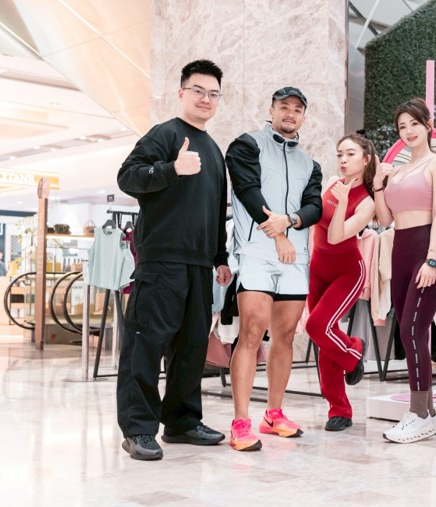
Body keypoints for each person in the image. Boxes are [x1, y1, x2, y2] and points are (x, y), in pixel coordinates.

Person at [116, 59, 231, 461]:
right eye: (198, 90)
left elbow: (216, 209)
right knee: (146, 345)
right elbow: (127, 176)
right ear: (181, 93)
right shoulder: (164, 134)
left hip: (200, 266)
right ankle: (138, 429)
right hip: (161, 261)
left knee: (191, 348)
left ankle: (181, 422)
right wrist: (171, 168)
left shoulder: (214, 151)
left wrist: (220, 256)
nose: (205, 99)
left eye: (213, 93)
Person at [225, 86, 323, 451]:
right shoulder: (246, 145)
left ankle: (273, 414)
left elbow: (314, 207)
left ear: (303, 117)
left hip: (295, 258)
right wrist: (279, 234)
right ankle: (240, 421)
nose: (290, 113)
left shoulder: (310, 164)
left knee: (285, 336)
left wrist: (291, 222)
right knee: (251, 332)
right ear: (271, 110)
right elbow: (248, 192)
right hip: (256, 252)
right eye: (284, 107)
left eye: (297, 109)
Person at [372, 99, 436, 443]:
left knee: (412, 330)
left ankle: (417, 413)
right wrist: (378, 184)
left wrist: (431, 259)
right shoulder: (398, 170)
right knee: (411, 332)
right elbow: (384, 220)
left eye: (414, 124)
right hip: (400, 250)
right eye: (402, 126)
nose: (408, 131)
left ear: (428, 125)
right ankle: (428, 414)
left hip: (427, 250)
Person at [306, 133, 376, 432]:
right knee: (325, 338)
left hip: (348, 272)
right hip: (317, 269)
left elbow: (336, 236)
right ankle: (339, 410)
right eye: (340, 154)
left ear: (366, 159)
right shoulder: (332, 183)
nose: (343, 160)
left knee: (317, 327)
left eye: (350, 154)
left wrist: (345, 199)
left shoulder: (367, 202)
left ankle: (353, 349)